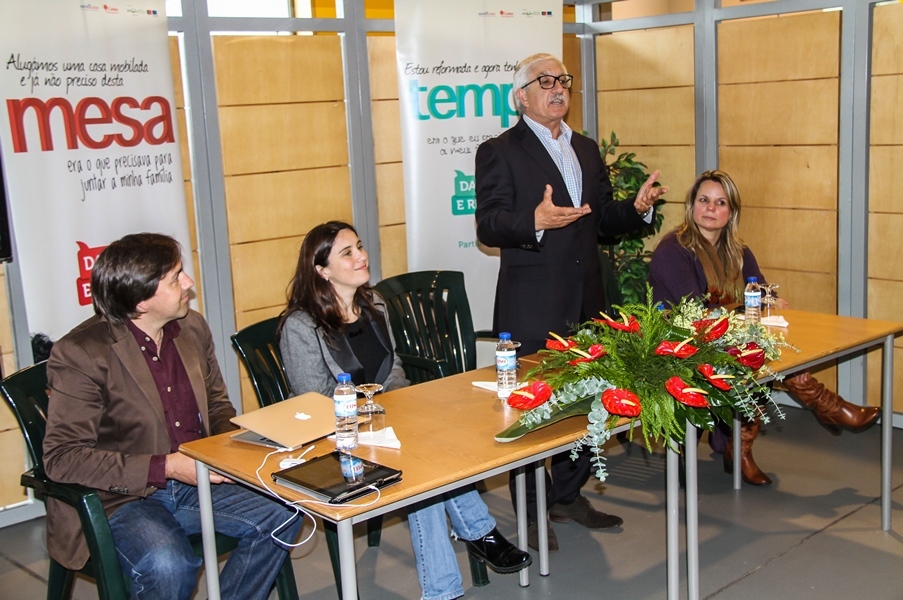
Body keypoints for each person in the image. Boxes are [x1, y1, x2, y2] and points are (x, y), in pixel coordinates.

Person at [474, 52, 667, 551]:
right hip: (532, 306)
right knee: (532, 415)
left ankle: (566, 495)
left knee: (591, 407)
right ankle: (532, 512)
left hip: (588, 303)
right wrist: (535, 220)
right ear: (521, 96)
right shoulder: (499, 151)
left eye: (563, 80)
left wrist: (637, 210)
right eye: (545, 81)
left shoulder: (583, 147)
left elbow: (598, 219)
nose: (558, 88)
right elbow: (489, 224)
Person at [278, 221, 531, 600]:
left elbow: (392, 370)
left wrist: (408, 411)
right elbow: (313, 401)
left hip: (388, 424)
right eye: (347, 253)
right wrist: (380, 419)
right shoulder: (301, 326)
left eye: (359, 247)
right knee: (417, 470)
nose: (361, 256)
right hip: (340, 439)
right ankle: (479, 539)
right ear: (321, 270)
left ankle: (451, 579)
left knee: (434, 448)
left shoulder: (374, 303)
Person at [43, 233, 302, 600]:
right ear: (141, 300)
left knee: (286, 511)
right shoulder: (82, 353)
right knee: (170, 565)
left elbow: (216, 408)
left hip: (195, 479)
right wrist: (165, 467)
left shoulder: (191, 328)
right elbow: (62, 458)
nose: (189, 284)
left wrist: (252, 447)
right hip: (120, 499)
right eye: (176, 277)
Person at [648, 169, 881, 485]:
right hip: (679, 343)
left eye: (721, 203)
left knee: (765, 350)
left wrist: (771, 300)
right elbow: (695, 310)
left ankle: (744, 445)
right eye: (704, 200)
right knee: (761, 354)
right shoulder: (672, 250)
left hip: (724, 337)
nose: (711, 209)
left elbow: (758, 290)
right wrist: (747, 309)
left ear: (731, 212)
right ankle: (824, 407)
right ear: (691, 205)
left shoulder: (737, 251)